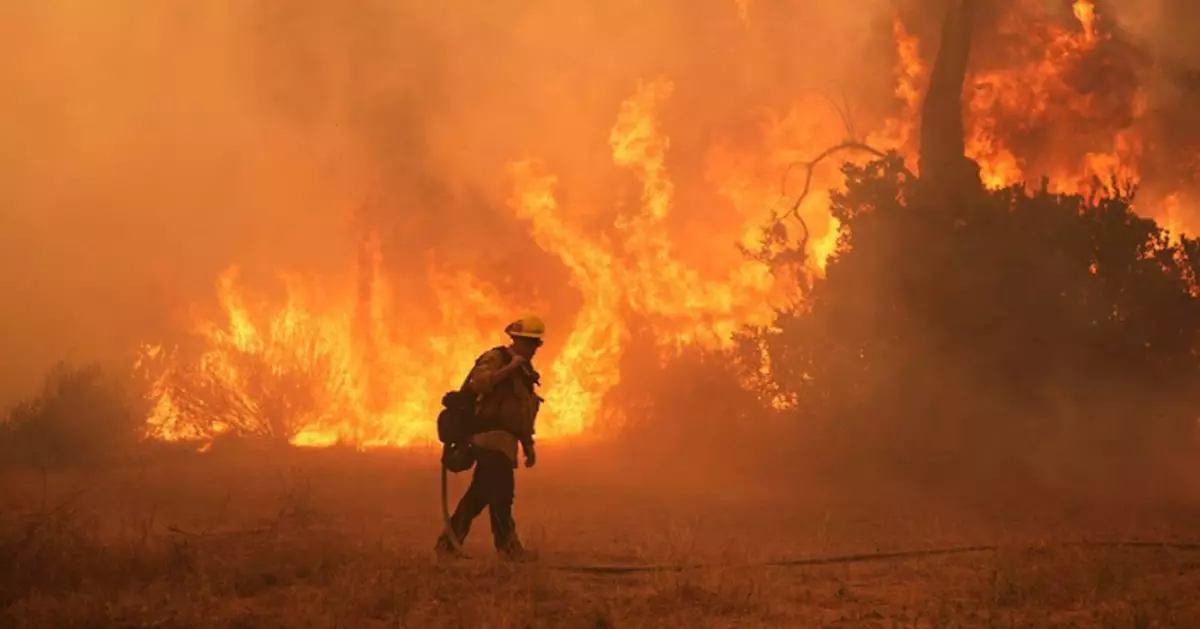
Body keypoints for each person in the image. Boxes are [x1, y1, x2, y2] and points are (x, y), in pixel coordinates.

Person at [435, 315, 544, 559]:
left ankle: (449, 542)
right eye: (527, 342)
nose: (532, 348)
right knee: (503, 494)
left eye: (536, 343)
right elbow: (479, 384)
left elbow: (523, 414)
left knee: (480, 494)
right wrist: (509, 369)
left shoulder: (526, 372)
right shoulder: (496, 358)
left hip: (505, 444)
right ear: (514, 339)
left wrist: (528, 445)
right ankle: (508, 548)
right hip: (487, 440)